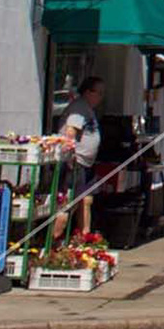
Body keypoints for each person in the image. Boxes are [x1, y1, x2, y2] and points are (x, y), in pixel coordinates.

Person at [54, 76, 104, 240]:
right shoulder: (79, 108)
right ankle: (54, 241)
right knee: (67, 205)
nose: (101, 97)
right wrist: (70, 156)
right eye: (99, 92)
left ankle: (84, 239)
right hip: (75, 163)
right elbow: (70, 132)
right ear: (88, 91)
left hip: (86, 165)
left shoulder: (88, 109)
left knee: (86, 200)